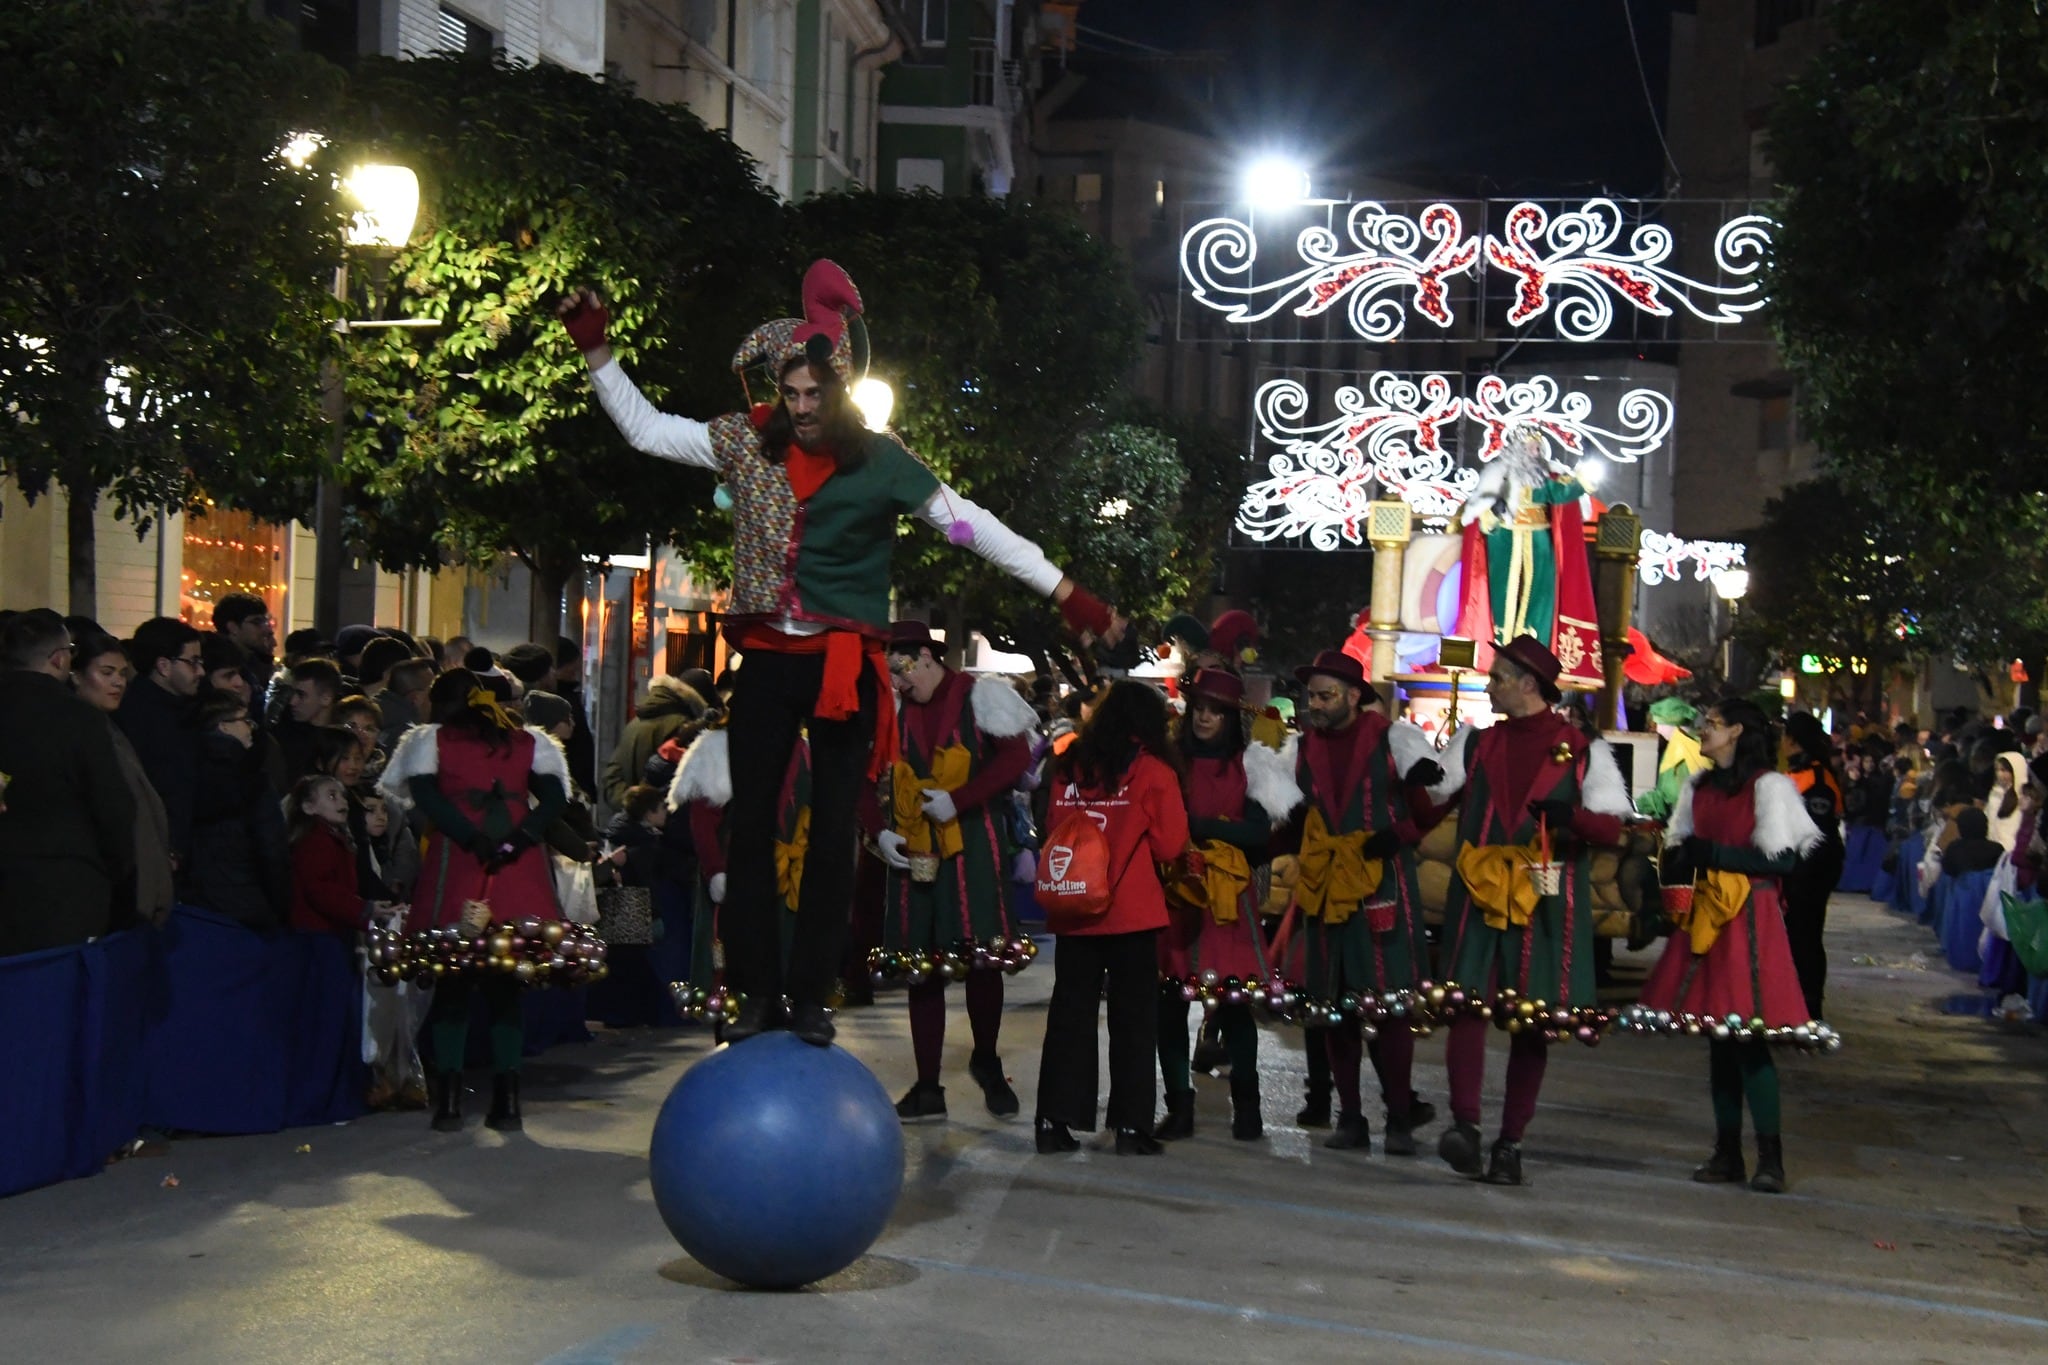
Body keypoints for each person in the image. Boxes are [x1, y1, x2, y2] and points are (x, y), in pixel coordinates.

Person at [560, 259, 1125, 1044]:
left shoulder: (882, 460)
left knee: (833, 834)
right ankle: (756, 991)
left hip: (844, 667)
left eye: (813, 395)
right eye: (787, 395)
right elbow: (647, 429)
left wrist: (1070, 596)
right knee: (750, 824)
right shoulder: (741, 443)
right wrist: (597, 351)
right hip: (767, 656)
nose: (800, 409)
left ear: (838, 389)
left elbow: (973, 525)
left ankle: (814, 993)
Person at [1420, 636, 1633, 1186]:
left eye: (1497, 678)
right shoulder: (1475, 742)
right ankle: (1464, 1127)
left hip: (1542, 899)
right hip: (1481, 890)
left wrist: (1572, 819)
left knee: (1532, 1021)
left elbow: (1613, 828)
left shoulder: (1584, 749)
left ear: (1528, 685)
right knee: (1466, 1007)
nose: (1488, 686)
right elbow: (1431, 801)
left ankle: (1510, 1144)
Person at [1633, 697, 1827, 1194]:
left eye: (1713, 724)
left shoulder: (1770, 788)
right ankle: (1726, 1153)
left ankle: (1770, 1158)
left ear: (1738, 731)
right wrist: (1675, 862)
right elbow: (1681, 845)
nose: (1703, 730)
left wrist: (1715, 854)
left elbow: (1782, 860)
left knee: (1749, 1040)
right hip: (1707, 918)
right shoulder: (1699, 788)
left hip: (1748, 919)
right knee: (1718, 1039)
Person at [379, 668, 570, 1132]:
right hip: (517, 870)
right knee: (507, 988)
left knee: (452, 985)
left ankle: (448, 1104)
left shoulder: (431, 741)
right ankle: (507, 1103)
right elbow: (556, 800)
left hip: (458, 866)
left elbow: (425, 798)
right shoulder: (529, 742)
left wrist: (470, 835)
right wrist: (522, 837)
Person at [872, 621, 1039, 1123]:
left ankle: (986, 1060)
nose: (897, 682)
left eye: (900, 668)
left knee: (982, 959)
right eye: (890, 673)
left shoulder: (980, 695)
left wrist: (960, 799)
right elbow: (861, 774)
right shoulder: (893, 709)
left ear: (927, 655)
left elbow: (1015, 759)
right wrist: (877, 832)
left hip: (972, 847)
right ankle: (927, 1088)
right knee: (922, 969)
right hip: (915, 849)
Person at [1283, 650, 1442, 1154]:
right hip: (1327, 885)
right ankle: (1350, 1118)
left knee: (1390, 1004)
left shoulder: (1393, 739)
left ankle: (1398, 1119)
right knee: (1333, 1006)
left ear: (1355, 696)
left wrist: (1397, 837)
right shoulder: (1301, 748)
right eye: (1312, 696)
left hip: (1382, 882)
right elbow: (1288, 818)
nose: (1316, 704)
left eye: (1326, 695)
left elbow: (1428, 811)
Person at [1033, 681, 1191, 1156]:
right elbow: (1169, 846)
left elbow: (1051, 828)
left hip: (1076, 910)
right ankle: (1130, 1126)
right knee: (1133, 1020)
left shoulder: (1068, 766)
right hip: (1131, 913)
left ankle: (1052, 1122)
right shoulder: (1153, 772)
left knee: (1069, 1016)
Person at [1158, 668, 1301, 1141]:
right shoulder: (1169, 761)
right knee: (1169, 1003)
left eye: (1215, 710)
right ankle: (1178, 1106)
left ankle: (1248, 1107)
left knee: (1235, 1003)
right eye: (1199, 707)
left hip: (1227, 899)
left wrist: (1200, 827)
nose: (1203, 716)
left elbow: (1259, 831)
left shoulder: (1252, 764)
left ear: (1230, 717)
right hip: (1178, 892)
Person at [69, 631, 176, 930]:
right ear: (76, 675)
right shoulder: (85, 734)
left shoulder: (113, 730)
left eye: (123, 674)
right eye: (106, 673)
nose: (118, 682)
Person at [186, 692, 289, 931]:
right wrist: (280, 904)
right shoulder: (250, 777)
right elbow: (271, 848)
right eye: (244, 720)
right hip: (248, 901)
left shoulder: (186, 770)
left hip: (198, 904)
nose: (250, 728)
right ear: (223, 726)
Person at [114, 617, 205, 886]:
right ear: (163, 665)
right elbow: (166, 785)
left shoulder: (178, 710)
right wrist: (171, 846)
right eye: (193, 662)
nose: (201, 671)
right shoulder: (145, 716)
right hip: (158, 856)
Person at [1780, 711, 1845, 1021]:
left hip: (1812, 866)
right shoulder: (1797, 772)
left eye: (1784, 737)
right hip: (1800, 865)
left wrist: (1798, 876)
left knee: (1805, 935)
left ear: (1793, 741)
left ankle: (1809, 1007)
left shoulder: (1817, 779)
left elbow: (1817, 835)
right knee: (1797, 935)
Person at [602, 674, 708, 811]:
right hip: (665, 820)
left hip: (638, 822)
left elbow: (612, 776)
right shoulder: (684, 727)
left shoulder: (633, 725)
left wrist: (631, 807)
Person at [287, 774, 365, 938]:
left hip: (329, 931)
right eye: (332, 796)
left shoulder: (334, 838)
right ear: (309, 807)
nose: (343, 801)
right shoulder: (315, 841)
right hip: (316, 934)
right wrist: (363, 910)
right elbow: (320, 889)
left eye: (343, 796)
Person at [1634, 697, 1710, 821]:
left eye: (1658, 724)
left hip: (1686, 824)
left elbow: (1670, 795)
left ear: (1670, 724)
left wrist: (1638, 805)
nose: (1657, 729)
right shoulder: (1699, 742)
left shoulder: (1681, 749)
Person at [211, 592, 277, 718]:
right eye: (256, 622)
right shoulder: (215, 661)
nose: (265, 629)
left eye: (265, 621)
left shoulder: (254, 663)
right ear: (233, 627)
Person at [279, 658, 344, 780]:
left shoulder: (344, 738)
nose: (292, 701)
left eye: (301, 695)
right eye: (293, 693)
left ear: (326, 698)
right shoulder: (283, 737)